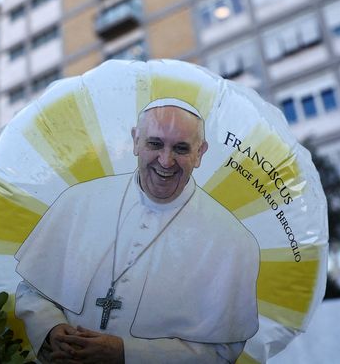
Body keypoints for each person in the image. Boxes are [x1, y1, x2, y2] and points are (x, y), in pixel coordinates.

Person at [14, 99, 260, 363]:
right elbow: (32, 290)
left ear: (200, 152)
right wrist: (51, 329)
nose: (166, 161)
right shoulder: (78, 201)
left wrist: (126, 354)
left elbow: (222, 351)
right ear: (136, 141)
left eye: (180, 148)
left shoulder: (233, 241)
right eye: (155, 144)